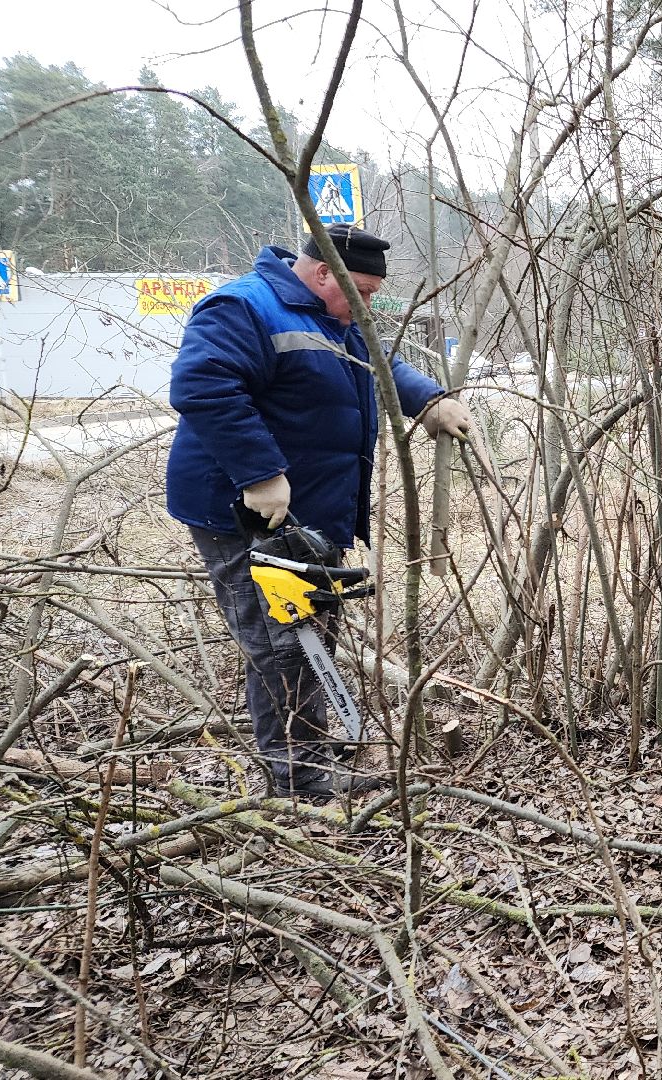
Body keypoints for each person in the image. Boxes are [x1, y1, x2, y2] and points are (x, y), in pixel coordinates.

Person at [167, 225, 473, 800]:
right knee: (285, 649)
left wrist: (430, 399)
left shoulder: (335, 317)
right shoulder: (243, 307)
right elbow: (203, 387)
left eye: (374, 295)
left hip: (311, 515)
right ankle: (302, 790)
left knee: (309, 642)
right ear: (323, 272)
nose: (366, 305)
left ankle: (312, 764)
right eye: (359, 290)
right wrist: (258, 472)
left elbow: (378, 364)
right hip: (248, 514)